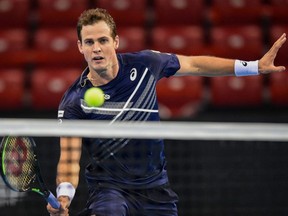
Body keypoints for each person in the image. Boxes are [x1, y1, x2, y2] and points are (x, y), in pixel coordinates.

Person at [47, 8, 286, 216]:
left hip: (156, 189)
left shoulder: (145, 65)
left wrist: (254, 67)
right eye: (89, 42)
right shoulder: (74, 102)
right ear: (80, 47)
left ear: (116, 42)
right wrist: (65, 196)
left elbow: (195, 64)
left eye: (103, 40)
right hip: (110, 190)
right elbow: (69, 159)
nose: (96, 49)